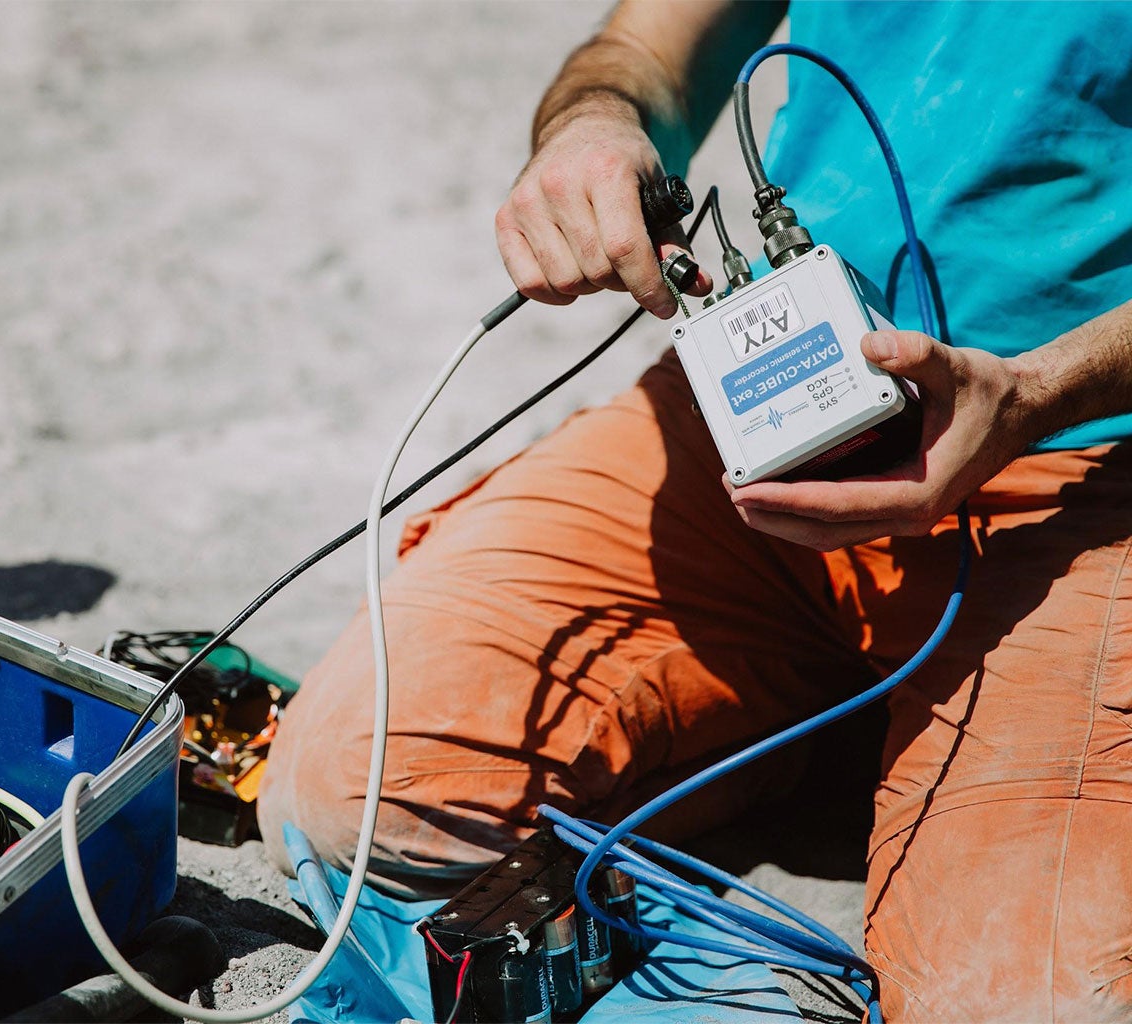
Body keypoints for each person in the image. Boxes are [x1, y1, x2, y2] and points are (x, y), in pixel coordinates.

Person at [256, 2, 1132, 1018]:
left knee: (1027, 1002)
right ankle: (841, 728)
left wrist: (1037, 390)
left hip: (1079, 465)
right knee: (348, 796)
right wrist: (593, 126)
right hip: (759, 404)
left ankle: (912, 748)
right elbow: (641, 55)